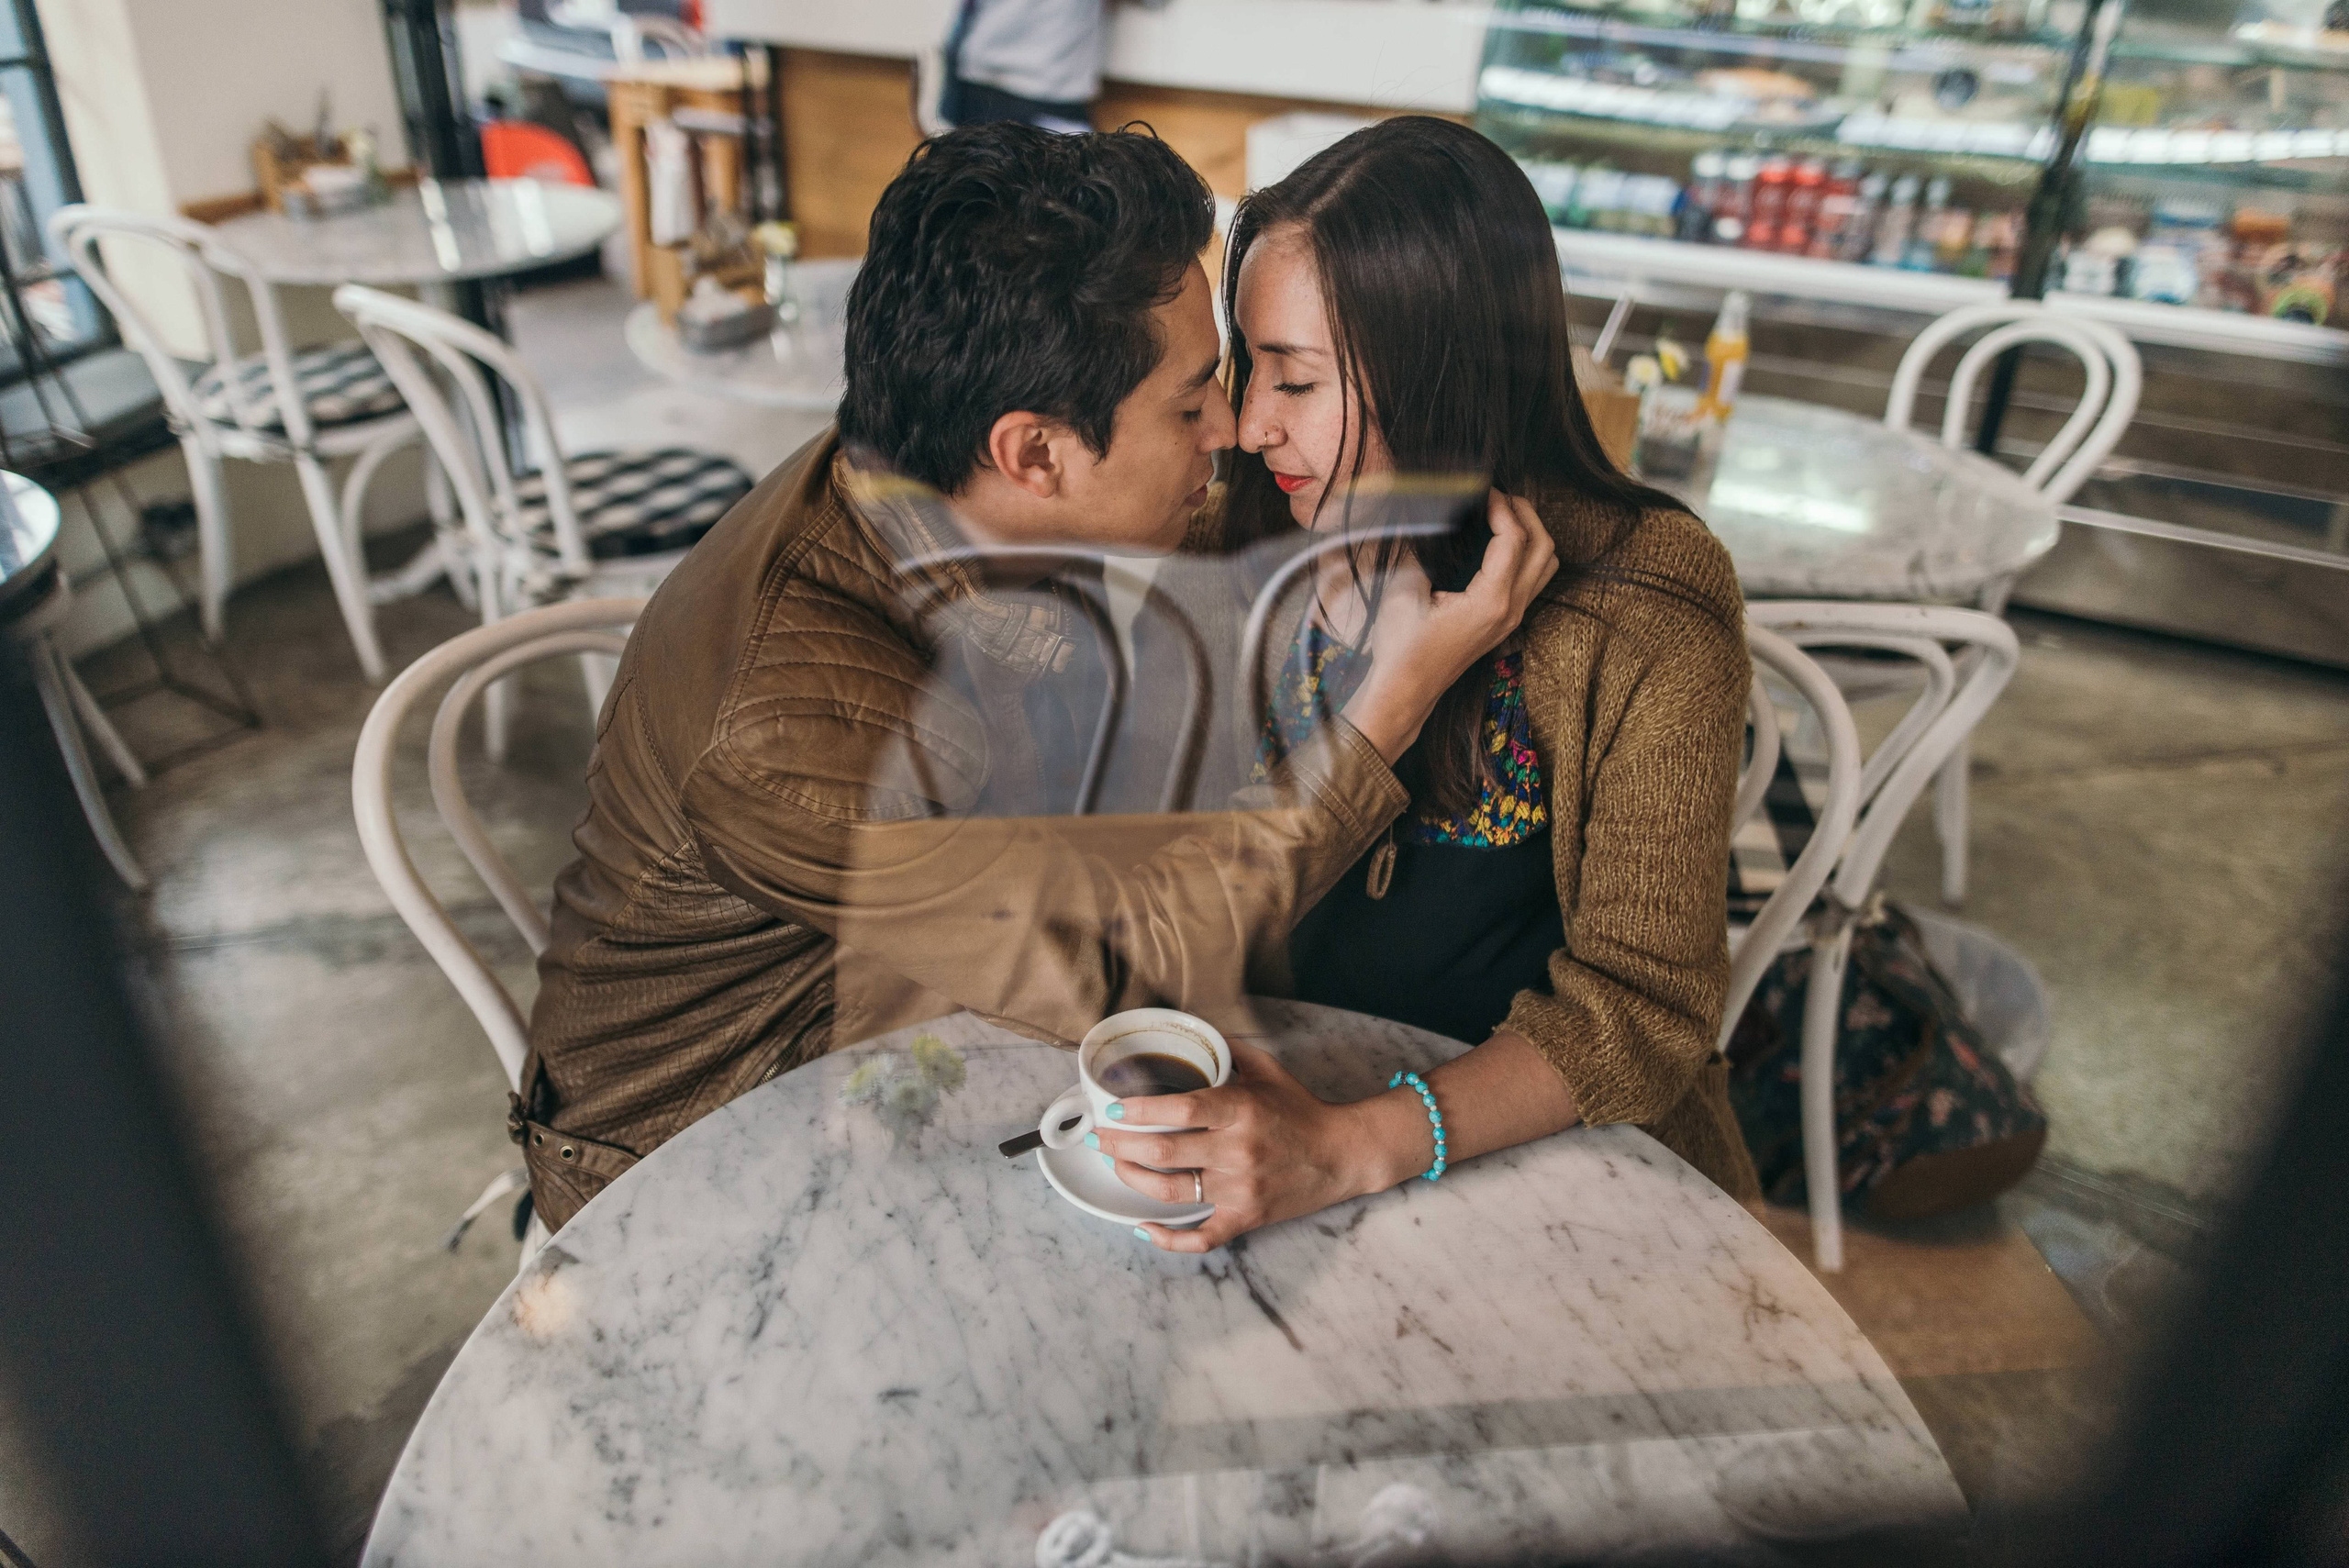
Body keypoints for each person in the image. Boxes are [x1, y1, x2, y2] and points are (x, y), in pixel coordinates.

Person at [515, 121, 1553, 1232]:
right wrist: (1388, 702)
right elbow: (1127, 977)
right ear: (1035, 453)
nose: (1236, 429)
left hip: (913, 1050)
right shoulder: (786, 729)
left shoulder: (933, 466)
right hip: (697, 1167)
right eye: (1191, 403)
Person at [1094, 117, 1761, 1251]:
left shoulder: (1640, 599)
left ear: (1442, 375)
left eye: (1296, 379)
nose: (1249, 426)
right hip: (1259, 1105)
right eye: (1248, 367)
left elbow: (1644, 1009)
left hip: (1549, 1169)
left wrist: (1351, 1145)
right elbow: (1150, 917)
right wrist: (1393, 686)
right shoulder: (1230, 541)